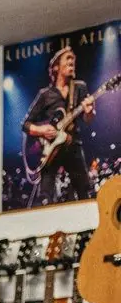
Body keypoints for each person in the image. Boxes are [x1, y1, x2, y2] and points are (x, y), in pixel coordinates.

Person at [22, 46, 94, 205]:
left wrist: (89, 112)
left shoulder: (80, 87)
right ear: (56, 67)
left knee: (84, 191)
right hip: (49, 151)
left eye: (73, 59)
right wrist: (42, 130)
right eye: (67, 58)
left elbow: (87, 120)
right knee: (45, 196)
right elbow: (25, 125)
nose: (72, 61)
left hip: (72, 145)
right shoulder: (45, 94)